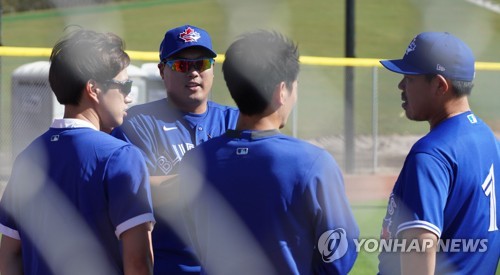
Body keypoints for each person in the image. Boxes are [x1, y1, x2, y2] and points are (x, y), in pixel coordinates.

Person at [178, 30, 359, 275]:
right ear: (281, 91)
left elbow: (192, 241)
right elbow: (340, 251)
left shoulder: (196, 162)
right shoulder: (312, 163)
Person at [0, 29, 155, 274]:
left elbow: (8, 256)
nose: (129, 97)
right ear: (93, 89)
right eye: (125, 85)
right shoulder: (120, 156)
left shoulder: (28, 157)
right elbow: (137, 262)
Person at [111, 25, 239, 274]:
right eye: (181, 65)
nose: (193, 73)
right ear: (162, 70)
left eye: (201, 64)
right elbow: (130, 190)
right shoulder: (137, 123)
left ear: (213, 69)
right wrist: (214, 182)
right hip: (167, 264)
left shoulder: (235, 121)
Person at [378, 32, 500, 274]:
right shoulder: (490, 140)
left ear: (439, 86)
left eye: (410, 78)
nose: (401, 86)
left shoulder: (431, 155)